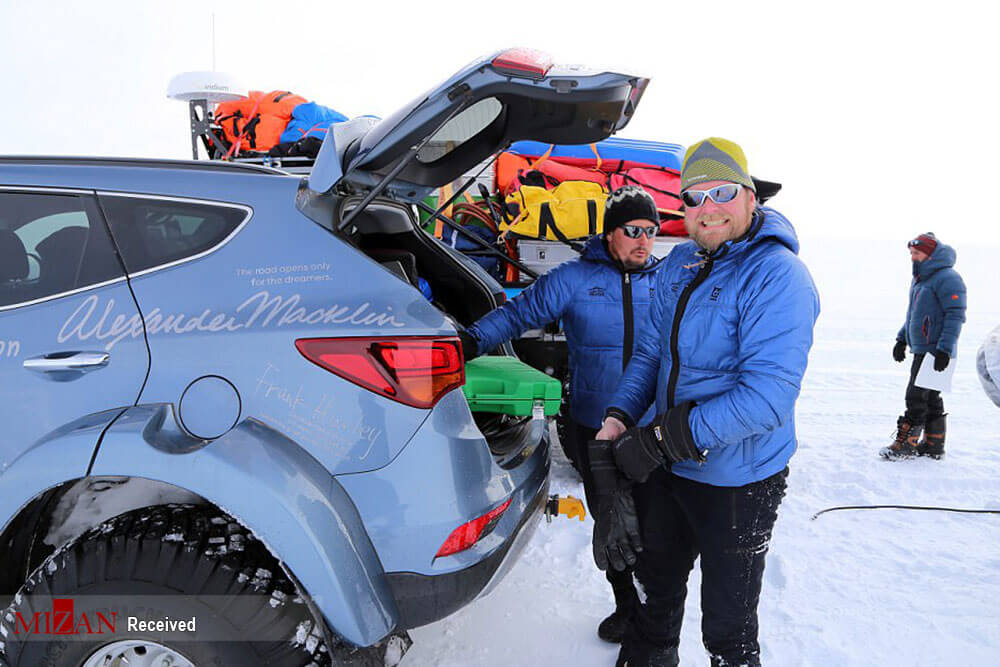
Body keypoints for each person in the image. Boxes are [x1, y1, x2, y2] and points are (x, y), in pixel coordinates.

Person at [594, 137, 820, 666]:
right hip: (669, 471)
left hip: (739, 482)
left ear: (750, 197)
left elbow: (767, 399)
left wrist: (657, 439)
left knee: (728, 626)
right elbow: (651, 354)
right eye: (693, 197)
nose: (706, 208)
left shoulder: (777, 275)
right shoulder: (679, 264)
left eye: (721, 191)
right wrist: (617, 418)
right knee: (654, 595)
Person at [460, 185, 663, 643]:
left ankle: (657, 614)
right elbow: (518, 314)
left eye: (650, 232)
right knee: (611, 524)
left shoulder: (665, 281)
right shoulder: (573, 279)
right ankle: (627, 606)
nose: (643, 241)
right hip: (596, 425)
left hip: (653, 427)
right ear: (611, 234)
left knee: (656, 525)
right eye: (633, 230)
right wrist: (471, 341)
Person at [880, 233, 967, 460]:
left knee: (916, 396)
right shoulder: (921, 279)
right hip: (922, 347)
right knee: (929, 397)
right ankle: (933, 444)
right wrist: (902, 339)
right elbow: (914, 315)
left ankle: (906, 445)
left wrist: (944, 350)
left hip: (935, 350)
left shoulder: (948, 278)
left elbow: (955, 315)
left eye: (916, 253)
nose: (913, 257)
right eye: (911, 253)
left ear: (930, 254)